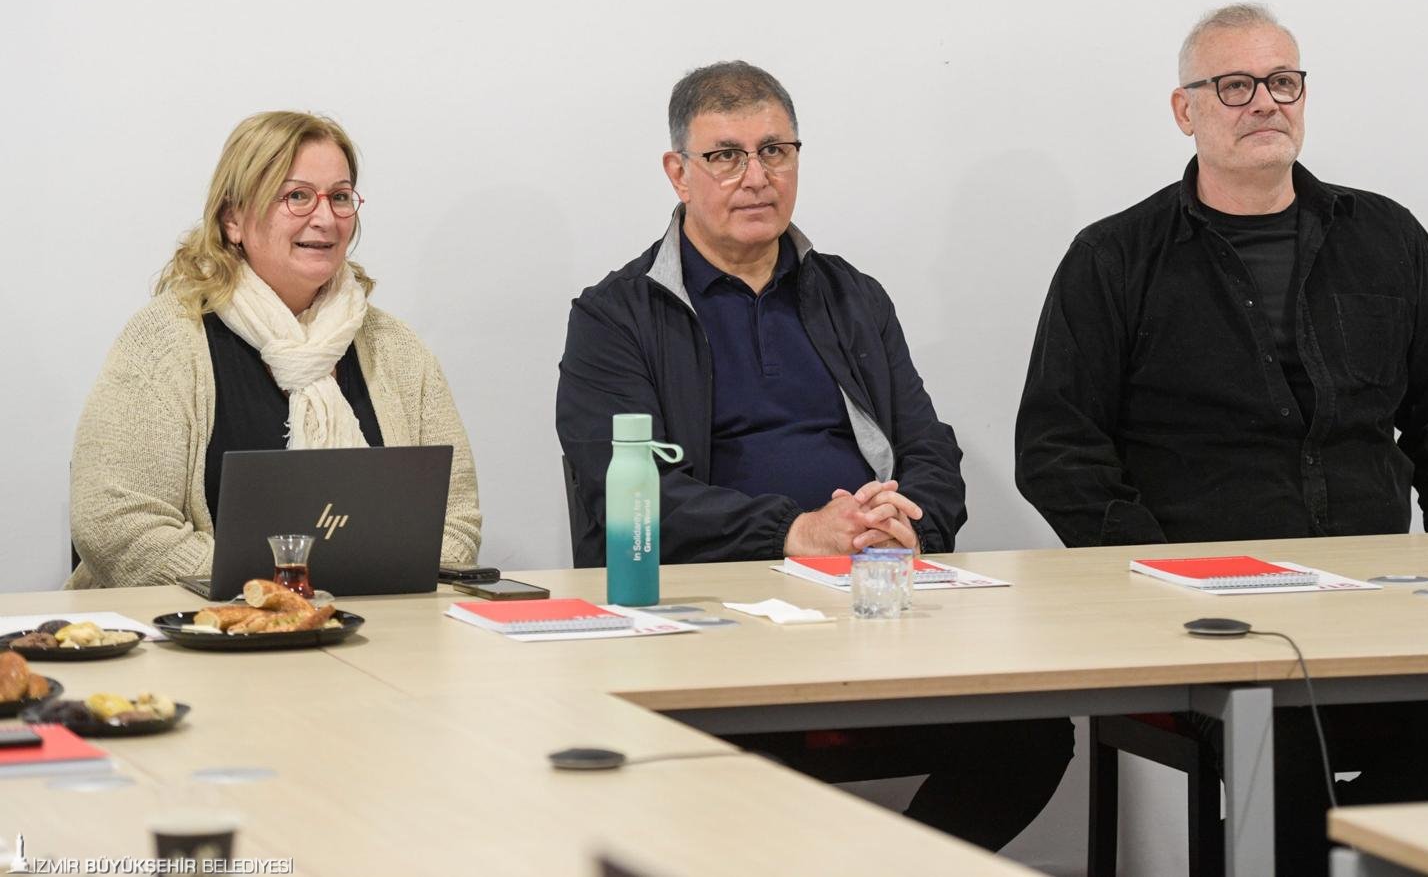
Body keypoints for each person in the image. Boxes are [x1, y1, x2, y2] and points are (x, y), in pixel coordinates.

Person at [1016, 3, 1428, 873]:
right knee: (1286, 738)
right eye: (1235, 85)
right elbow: (1057, 446)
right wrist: (1159, 577)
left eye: (1283, 81)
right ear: (1185, 110)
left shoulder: (1386, 237)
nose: (1265, 101)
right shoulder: (1114, 257)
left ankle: (1322, 856)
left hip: (1378, 606)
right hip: (1206, 620)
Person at [557, 61, 1072, 851]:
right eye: (725, 156)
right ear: (678, 173)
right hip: (707, 619)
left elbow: (929, 446)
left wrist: (907, 522)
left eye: (775, 151)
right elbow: (625, 492)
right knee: (715, 772)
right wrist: (797, 532)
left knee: (1028, 734)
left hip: (866, 599)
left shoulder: (850, 296)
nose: (756, 176)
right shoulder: (616, 315)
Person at [69, 111, 482, 588]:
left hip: (373, 625)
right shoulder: (165, 339)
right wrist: (280, 590)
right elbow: (117, 525)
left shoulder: (398, 350)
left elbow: (455, 523)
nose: (325, 218)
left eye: (340, 197)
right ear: (233, 220)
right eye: (297, 196)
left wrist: (330, 591)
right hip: (197, 625)